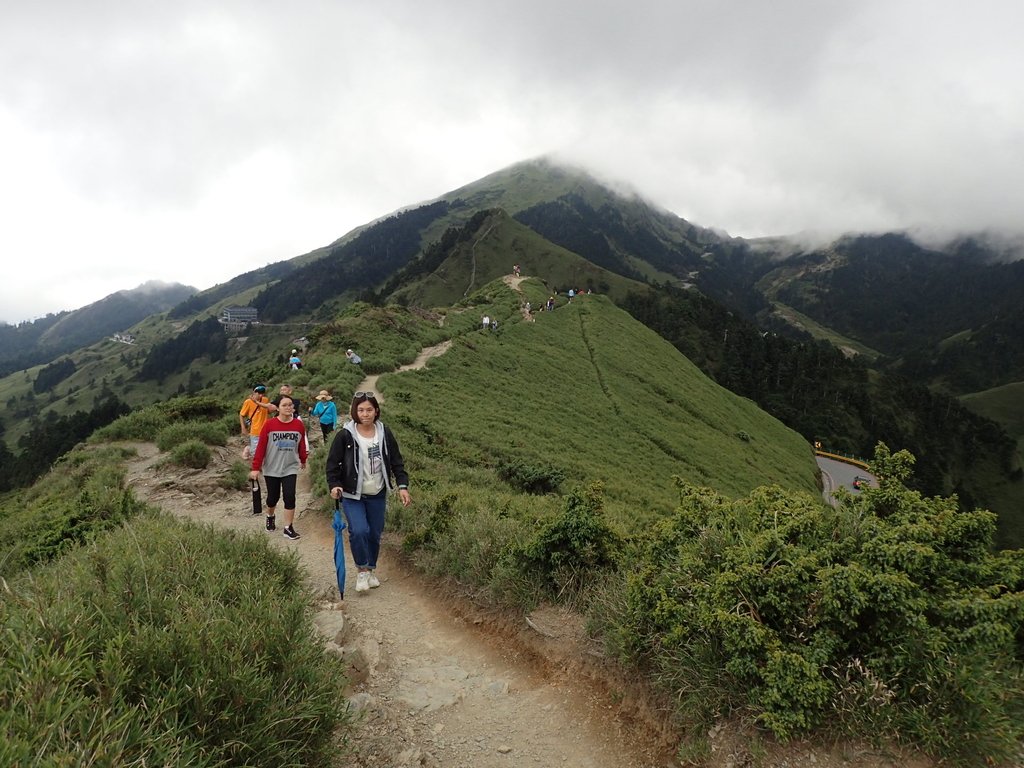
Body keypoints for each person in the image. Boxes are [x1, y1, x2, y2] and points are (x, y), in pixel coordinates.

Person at [326, 391, 411, 593]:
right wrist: (334, 485)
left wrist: (402, 486)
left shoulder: (384, 433)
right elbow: (332, 465)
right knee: (359, 531)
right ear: (355, 411)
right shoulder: (345, 435)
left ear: (376, 411)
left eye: (369, 410)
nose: (365, 414)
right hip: (352, 494)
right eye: (361, 410)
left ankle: (371, 569)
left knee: (374, 533)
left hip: (378, 493)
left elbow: (397, 461)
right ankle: (362, 570)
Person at [250, 395, 307, 539]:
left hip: (290, 467)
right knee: (272, 498)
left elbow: (301, 444)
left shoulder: (298, 425)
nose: (289, 407)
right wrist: (256, 467)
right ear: (277, 408)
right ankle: (270, 515)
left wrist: (303, 459)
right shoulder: (269, 425)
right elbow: (261, 447)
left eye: (291, 405)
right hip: (272, 467)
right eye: (285, 405)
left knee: (290, 496)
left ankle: (288, 528)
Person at [239, 384, 274, 460]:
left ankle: (249, 450)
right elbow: (241, 414)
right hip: (255, 430)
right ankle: (249, 449)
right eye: (258, 393)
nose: (260, 395)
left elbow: (268, 411)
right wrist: (243, 427)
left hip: (266, 430)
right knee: (255, 453)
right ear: (254, 392)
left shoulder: (265, 400)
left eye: (262, 393)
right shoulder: (248, 402)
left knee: (266, 450)